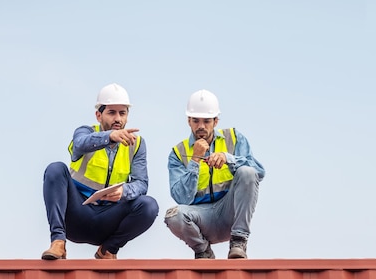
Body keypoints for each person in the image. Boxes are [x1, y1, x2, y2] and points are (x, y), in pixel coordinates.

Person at [41, 83, 159, 260]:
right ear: (98, 115)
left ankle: (108, 250)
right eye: (111, 113)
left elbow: (142, 184)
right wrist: (109, 137)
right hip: (76, 215)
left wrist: (123, 192)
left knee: (149, 205)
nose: (117, 119)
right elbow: (80, 143)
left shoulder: (137, 144)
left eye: (122, 113)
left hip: (108, 220)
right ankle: (58, 242)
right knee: (55, 169)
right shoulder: (84, 133)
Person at [164, 89, 265, 259]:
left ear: (216, 121)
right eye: (195, 120)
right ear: (189, 121)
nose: (201, 126)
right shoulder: (178, 152)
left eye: (207, 121)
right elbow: (181, 199)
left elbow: (258, 173)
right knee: (174, 215)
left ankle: (239, 241)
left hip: (230, 213)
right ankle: (203, 251)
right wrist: (195, 160)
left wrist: (228, 159)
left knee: (247, 172)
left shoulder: (233, 138)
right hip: (201, 218)